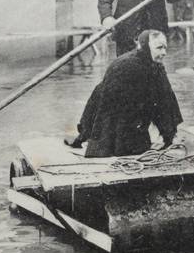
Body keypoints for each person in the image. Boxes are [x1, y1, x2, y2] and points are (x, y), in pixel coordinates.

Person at [65, 30, 183, 158]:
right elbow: (107, 105)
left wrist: (169, 135)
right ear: (146, 47)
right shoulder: (125, 66)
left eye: (165, 48)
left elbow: (166, 99)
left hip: (134, 116)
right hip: (115, 118)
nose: (164, 53)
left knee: (163, 93)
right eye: (159, 48)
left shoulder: (156, 65)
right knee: (129, 147)